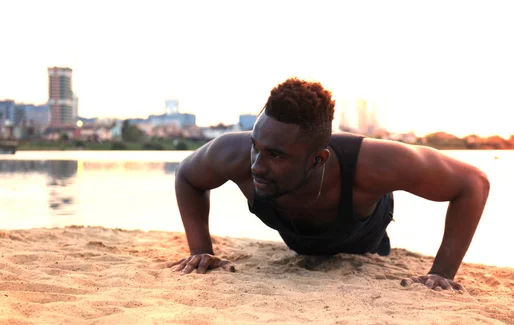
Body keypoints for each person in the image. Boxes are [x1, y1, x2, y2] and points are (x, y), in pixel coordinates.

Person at [170, 78, 489, 290]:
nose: (257, 165)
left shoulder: (371, 163)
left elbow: (473, 183)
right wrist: (201, 250)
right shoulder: (232, 154)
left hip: (364, 232)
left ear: (317, 159)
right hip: (300, 238)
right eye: (256, 146)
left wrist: (442, 274)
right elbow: (187, 176)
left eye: (276, 156)